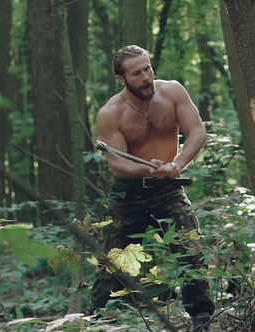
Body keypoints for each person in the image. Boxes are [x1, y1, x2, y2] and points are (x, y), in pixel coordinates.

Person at [86, 45, 216, 331]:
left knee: (190, 250)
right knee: (113, 265)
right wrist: (149, 168)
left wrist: (177, 163)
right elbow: (118, 165)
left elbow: (197, 132)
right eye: (136, 73)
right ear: (121, 79)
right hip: (128, 193)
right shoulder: (110, 113)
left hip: (168, 189)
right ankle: (99, 321)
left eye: (147, 68)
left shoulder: (172, 92)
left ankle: (202, 318)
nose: (146, 77)